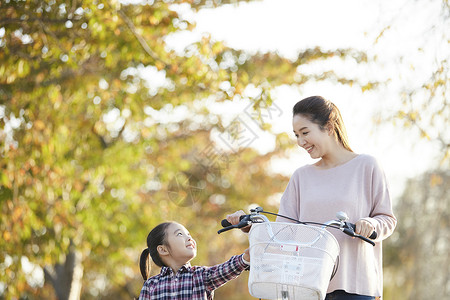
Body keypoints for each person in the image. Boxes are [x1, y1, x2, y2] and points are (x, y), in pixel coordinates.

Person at [227, 96, 397, 300]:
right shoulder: (301, 176)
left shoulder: (367, 166)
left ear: (329, 126)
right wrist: (250, 227)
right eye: (297, 135)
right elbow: (283, 234)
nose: (300, 142)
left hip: (355, 287)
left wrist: (370, 224)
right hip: (306, 286)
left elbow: (387, 218)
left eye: (305, 133)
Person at [138, 221, 250, 300]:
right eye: (180, 234)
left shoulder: (201, 276)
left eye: (189, 234)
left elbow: (226, 270)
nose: (189, 238)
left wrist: (244, 258)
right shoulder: (151, 285)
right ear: (163, 249)